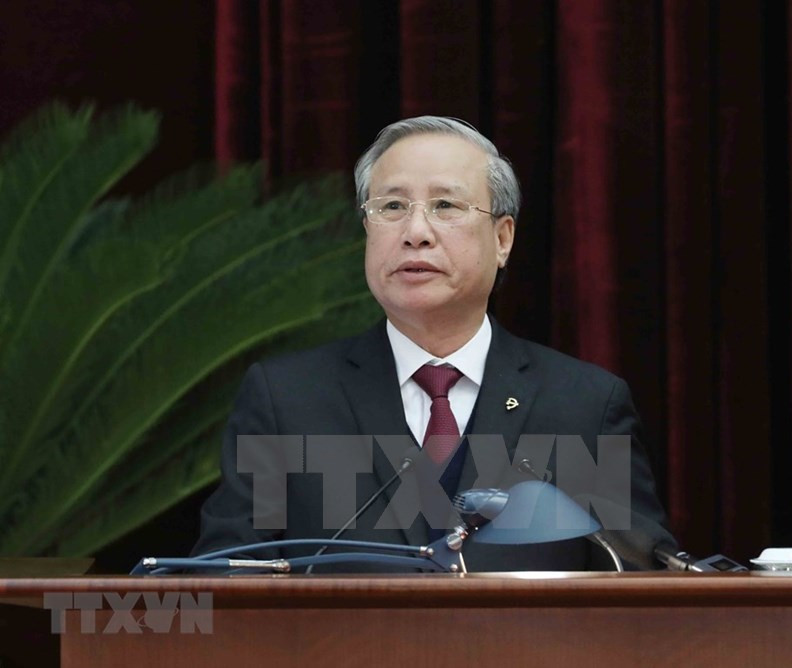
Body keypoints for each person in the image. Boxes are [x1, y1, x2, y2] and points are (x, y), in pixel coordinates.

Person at [192, 116, 673, 571]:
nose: (415, 233)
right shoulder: (287, 399)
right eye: (392, 207)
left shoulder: (584, 405)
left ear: (503, 239)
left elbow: (643, 584)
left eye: (446, 205)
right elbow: (225, 584)